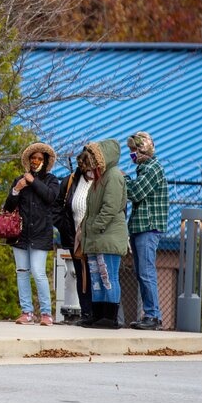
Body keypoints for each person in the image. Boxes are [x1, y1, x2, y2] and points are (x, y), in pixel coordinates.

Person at [3, 142, 60, 326]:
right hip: (20, 234)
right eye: (33, 158)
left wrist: (33, 181)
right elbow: (8, 207)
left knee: (38, 272)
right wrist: (17, 189)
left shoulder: (51, 180)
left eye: (39, 158)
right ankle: (26, 312)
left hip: (41, 233)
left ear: (45, 161)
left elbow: (51, 197)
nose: (35, 161)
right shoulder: (20, 180)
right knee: (22, 272)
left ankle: (46, 313)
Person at [80, 139, 128, 329]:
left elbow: (110, 207)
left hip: (107, 236)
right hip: (97, 237)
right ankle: (98, 315)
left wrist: (95, 227)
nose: (91, 160)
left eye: (94, 156)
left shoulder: (114, 176)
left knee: (108, 276)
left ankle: (111, 317)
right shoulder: (99, 179)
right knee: (97, 278)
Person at [124, 132, 168, 330]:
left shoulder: (152, 169)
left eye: (134, 149)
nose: (132, 154)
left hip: (148, 228)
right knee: (142, 272)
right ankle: (149, 315)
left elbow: (136, 192)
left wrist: (123, 180)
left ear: (144, 148)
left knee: (146, 272)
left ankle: (153, 316)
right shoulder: (144, 168)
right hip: (139, 227)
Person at [54, 148, 95, 326]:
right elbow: (57, 207)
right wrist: (65, 228)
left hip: (95, 237)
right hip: (74, 237)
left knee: (96, 276)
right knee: (80, 274)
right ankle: (86, 313)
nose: (91, 173)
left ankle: (99, 314)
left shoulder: (103, 182)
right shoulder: (71, 181)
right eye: (88, 169)